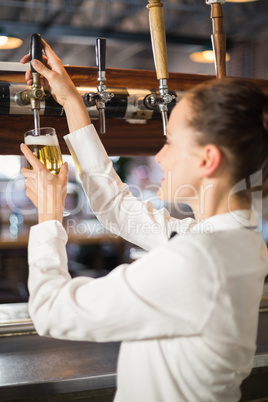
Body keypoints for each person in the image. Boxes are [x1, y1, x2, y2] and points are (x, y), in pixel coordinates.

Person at [20, 39, 268, 402]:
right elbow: (116, 207)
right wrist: (72, 100)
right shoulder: (236, 240)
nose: (159, 156)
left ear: (207, 160)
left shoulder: (197, 262)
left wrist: (48, 216)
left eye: (169, 141)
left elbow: (51, 311)